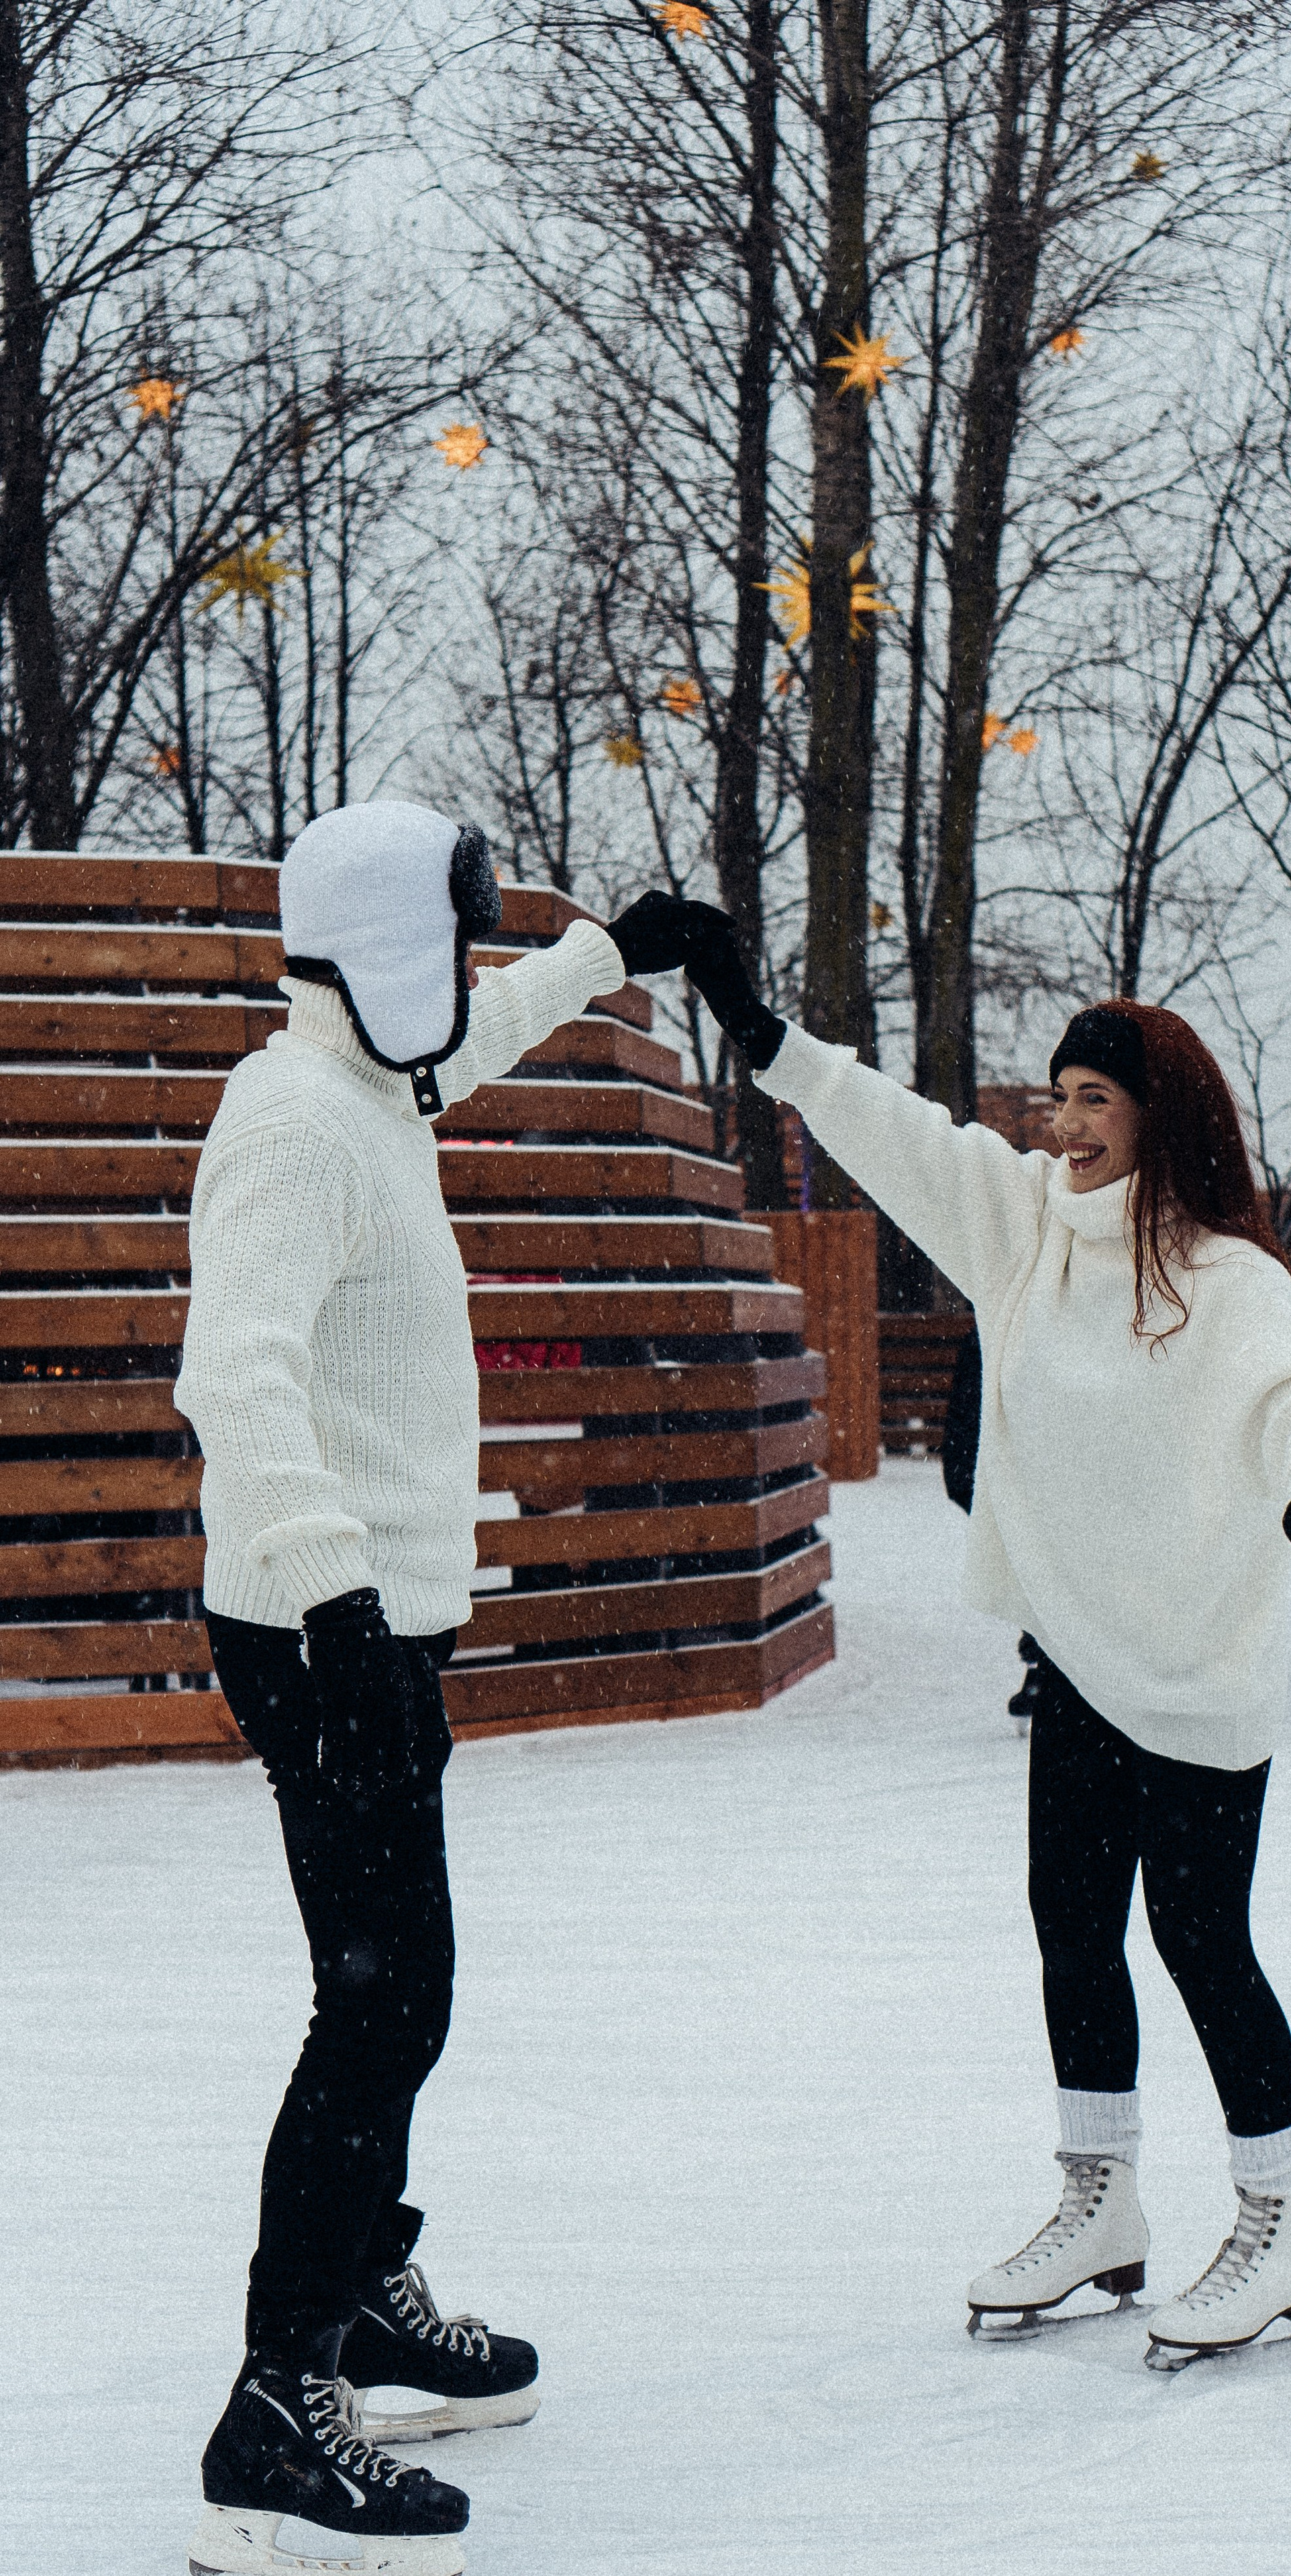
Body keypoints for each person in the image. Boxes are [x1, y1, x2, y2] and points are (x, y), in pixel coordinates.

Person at [672, 903, 1291, 2369]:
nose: (1062, 1127)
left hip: (1191, 1669)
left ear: (1157, 1116)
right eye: (1055, 1098)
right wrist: (762, 1036)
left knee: (1199, 1943)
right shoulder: (1024, 1236)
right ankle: (1100, 2197)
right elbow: (899, 1132)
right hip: (1075, 1661)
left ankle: (1280, 2215)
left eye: (1093, 1101)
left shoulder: (1223, 1276)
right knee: (1072, 1932)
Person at [176, 804, 704, 2576]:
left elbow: (461, 1048)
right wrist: (335, 1610)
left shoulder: (373, 1086)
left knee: (399, 1987)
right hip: (321, 1628)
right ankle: (279, 2400)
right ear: (385, 944)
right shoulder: (291, 1120)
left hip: (374, 1626)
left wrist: (602, 956)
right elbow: (232, 1381)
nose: (465, 975)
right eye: (457, 941)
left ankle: (364, 2291)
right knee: (382, 2002)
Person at [941, 1328, 1043, 1733]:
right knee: (1032, 1564)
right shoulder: (989, 1332)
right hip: (1009, 1476)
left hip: (1041, 1473)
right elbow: (965, 1426)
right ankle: (1044, 1659)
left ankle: (1048, 1661)